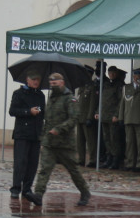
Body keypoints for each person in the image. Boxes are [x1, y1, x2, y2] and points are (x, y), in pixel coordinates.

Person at [24, 73, 91, 208]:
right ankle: (38, 195)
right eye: (51, 83)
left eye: (55, 83)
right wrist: (43, 138)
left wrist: (59, 129)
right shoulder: (52, 98)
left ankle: (85, 192)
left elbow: (74, 119)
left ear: (62, 82)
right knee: (44, 170)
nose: (53, 85)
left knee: (73, 170)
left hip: (65, 144)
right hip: (50, 143)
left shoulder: (69, 99)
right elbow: (47, 120)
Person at [8, 71, 46, 200]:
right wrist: (28, 112)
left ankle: (27, 188)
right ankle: (16, 188)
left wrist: (40, 112)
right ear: (27, 80)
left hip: (35, 133)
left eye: (38, 79)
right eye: (33, 79)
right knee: (20, 162)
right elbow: (12, 111)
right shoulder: (18, 94)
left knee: (33, 163)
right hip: (22, 133)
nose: (36, 81)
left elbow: (42, 112)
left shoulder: (40, 95)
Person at [117, 68, 140, 173]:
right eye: (138, 76)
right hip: (128, 118)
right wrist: (121, 118)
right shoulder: (126, 88)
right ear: (134, 76)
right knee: (129, 143)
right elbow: (122, 104)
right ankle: (130, 163)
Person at [100, 65, 125, 169]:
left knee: (114, 139)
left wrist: (116, 115)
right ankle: (108, 158)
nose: (112, 75)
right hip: (104, 115)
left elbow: (120, 101)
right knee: (106, 138)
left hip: (113, 116)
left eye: (114, 73)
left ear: (117, 74)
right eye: (110, 73)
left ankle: (115, 160)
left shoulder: (119, 85)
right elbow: (102, 100)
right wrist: (98, 111)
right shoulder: (106, 84)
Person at [75, 66, 99, 167]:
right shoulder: (81, 86)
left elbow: (93, 103)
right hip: (79, 116)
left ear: (89, 74)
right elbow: (78, 101)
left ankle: (93, 160)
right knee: (79, 140)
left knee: (90, 141)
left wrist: (90, 117)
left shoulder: (92, 87)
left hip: (87, 117)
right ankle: (81, 159)